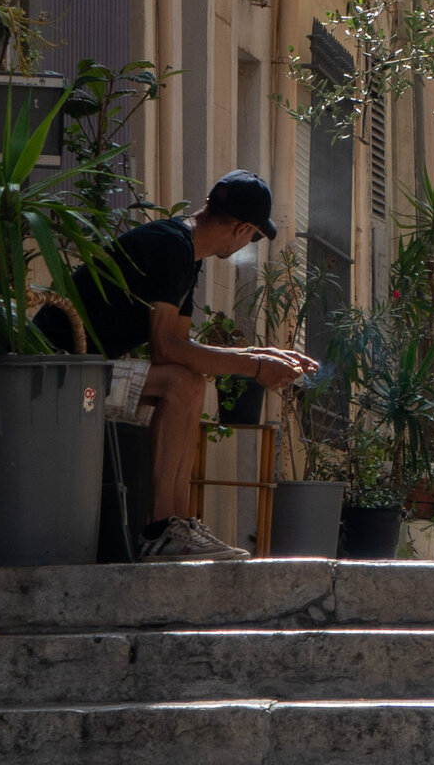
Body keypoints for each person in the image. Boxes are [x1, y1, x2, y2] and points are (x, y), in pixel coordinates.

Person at [48, 171, 318, 559]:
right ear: (243, 228)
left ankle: (176, 523)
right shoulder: (171, 247)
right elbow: (166, 349)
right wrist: (255, 368)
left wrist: (263, 356)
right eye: (255, 237)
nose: (250, 243)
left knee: (188, 381)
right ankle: (162, 528)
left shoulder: (181, 250)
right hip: (53, 370)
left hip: (82, 369)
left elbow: (181, 344)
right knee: (181, 384)